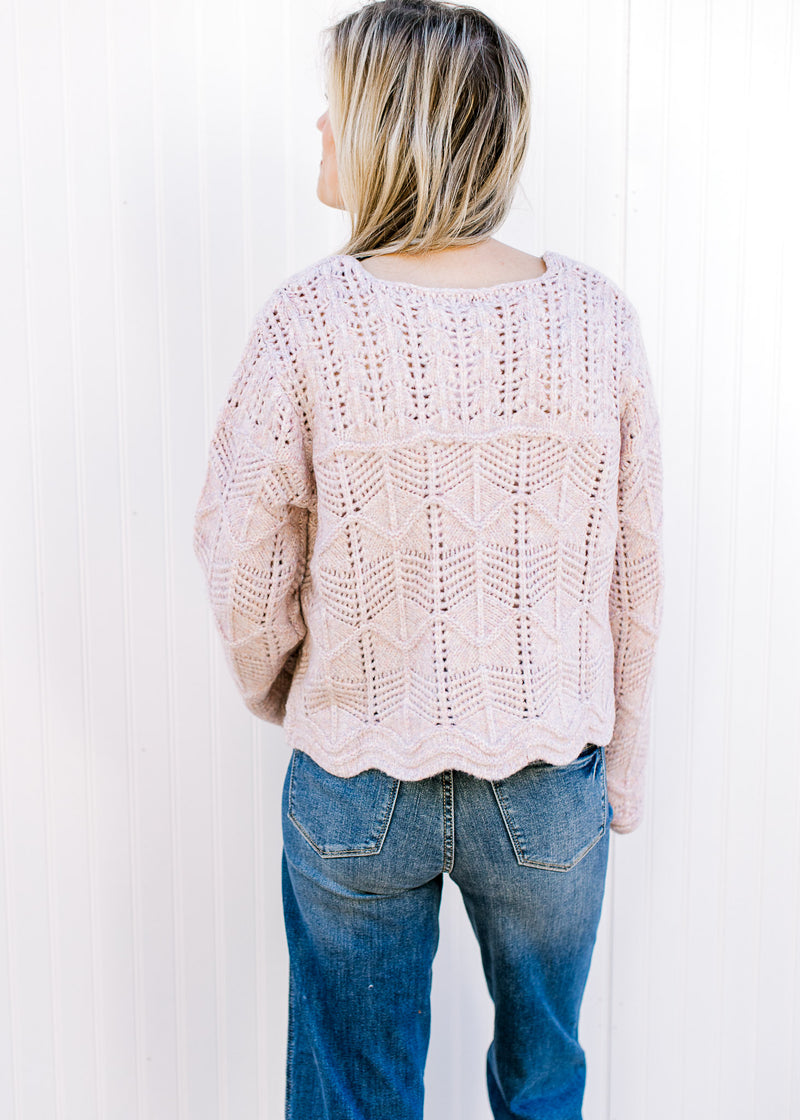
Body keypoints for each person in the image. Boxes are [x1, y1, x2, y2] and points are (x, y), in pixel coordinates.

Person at [192, 1, 665, 1116]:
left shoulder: (306, 323)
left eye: (339, 107)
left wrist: (291, 688)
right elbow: (633, 572)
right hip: (551, 785)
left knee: (351, 1092)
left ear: (395, 128)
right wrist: (624, 767)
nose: (319, 124)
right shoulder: (597, 322)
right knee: (543, 1078)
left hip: (355, 780)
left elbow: (238, 552)